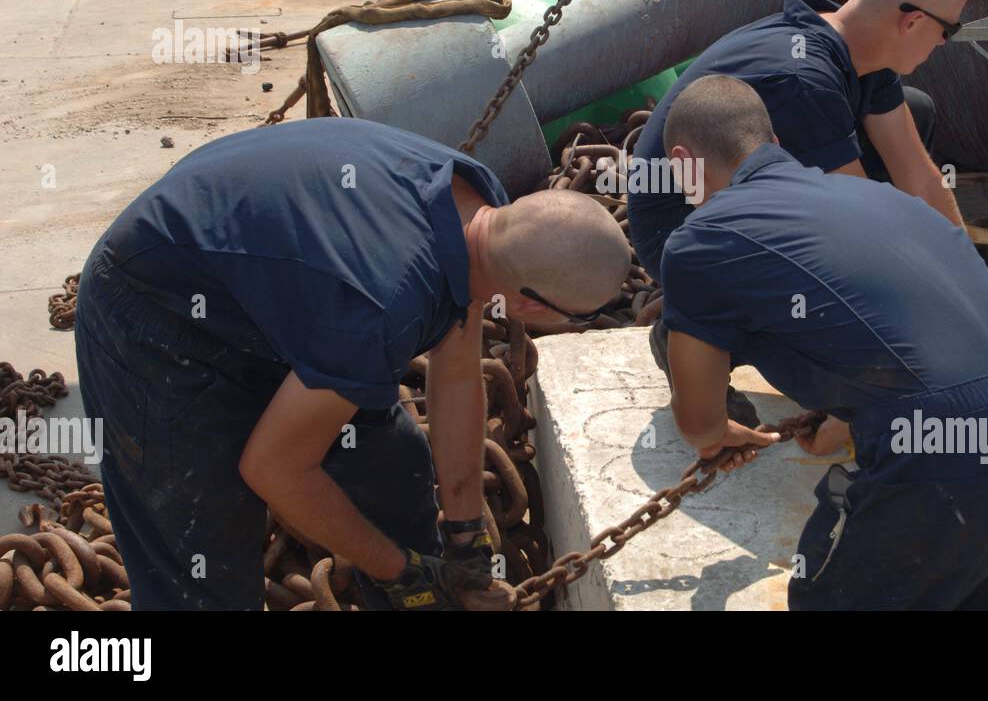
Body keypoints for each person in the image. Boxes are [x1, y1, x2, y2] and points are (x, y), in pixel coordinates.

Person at [74, 117, 629, 610]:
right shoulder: (382, 306)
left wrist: (467, 539)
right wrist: (404, 574)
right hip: (152, 308)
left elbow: (456, 371)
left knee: (392, 468)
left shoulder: (480, 208)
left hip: (270, 295)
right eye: (568, 319)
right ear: (531, 302)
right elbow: (274, 469)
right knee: (204, 568)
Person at [657, 76, 988, 610]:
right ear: (775, 144)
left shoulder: (701, 239)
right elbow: (910, 329)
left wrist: (719, 436)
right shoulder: (883, 198)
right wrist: (848, 414)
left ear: (682, 163)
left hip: (945, 464)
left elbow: (698, 420)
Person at [627, 0, 969, 420]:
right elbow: (864, 232)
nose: (943, 42)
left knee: (916, 113)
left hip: (743, 194)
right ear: (911, 21)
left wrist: (972, 288)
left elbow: (919, 175)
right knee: (840, 310)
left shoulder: (859, 48)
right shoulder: (802, 81)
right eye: (948, 30)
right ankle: (698, 331)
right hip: (681, 232)